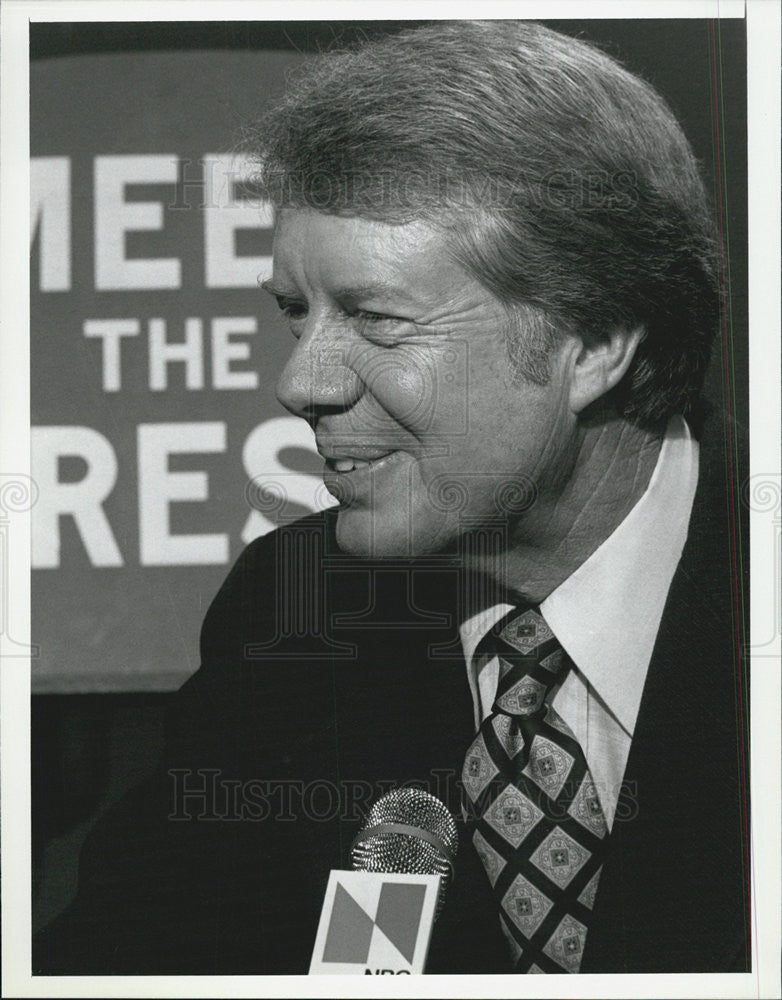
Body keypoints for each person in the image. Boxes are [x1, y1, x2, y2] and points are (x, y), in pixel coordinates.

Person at [34, 20, 749, 975]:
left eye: (375, 317)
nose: (302, 381)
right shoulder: (289, 611)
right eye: (295, 312)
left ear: (597, 340)